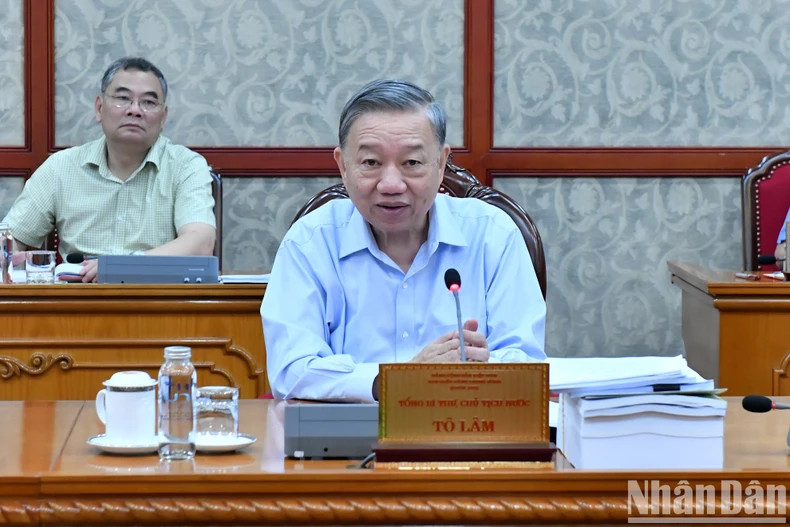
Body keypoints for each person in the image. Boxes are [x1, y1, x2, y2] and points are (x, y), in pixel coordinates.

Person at [261, 79, 546, 402]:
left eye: (411, 163)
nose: (391, 184)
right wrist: (396, 381)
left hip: (468, 429)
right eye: (371, 163)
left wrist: (480, 369)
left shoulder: (493, 234)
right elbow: (292, 370)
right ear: (342, 166)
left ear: (441, 164)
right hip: (347, 443)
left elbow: (526, 362)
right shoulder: (310, 242)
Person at [2, 57, 216, 283]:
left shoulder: (186, 166)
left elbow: (200, 243)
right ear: (99, 108)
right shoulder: (62, 167)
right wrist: (10, 255)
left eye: (149, 102)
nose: (135, 110)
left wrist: (124, 267)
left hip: (158, 301)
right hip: (75, 303)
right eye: (123, 98)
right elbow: (12, 238)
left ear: (163, 117)